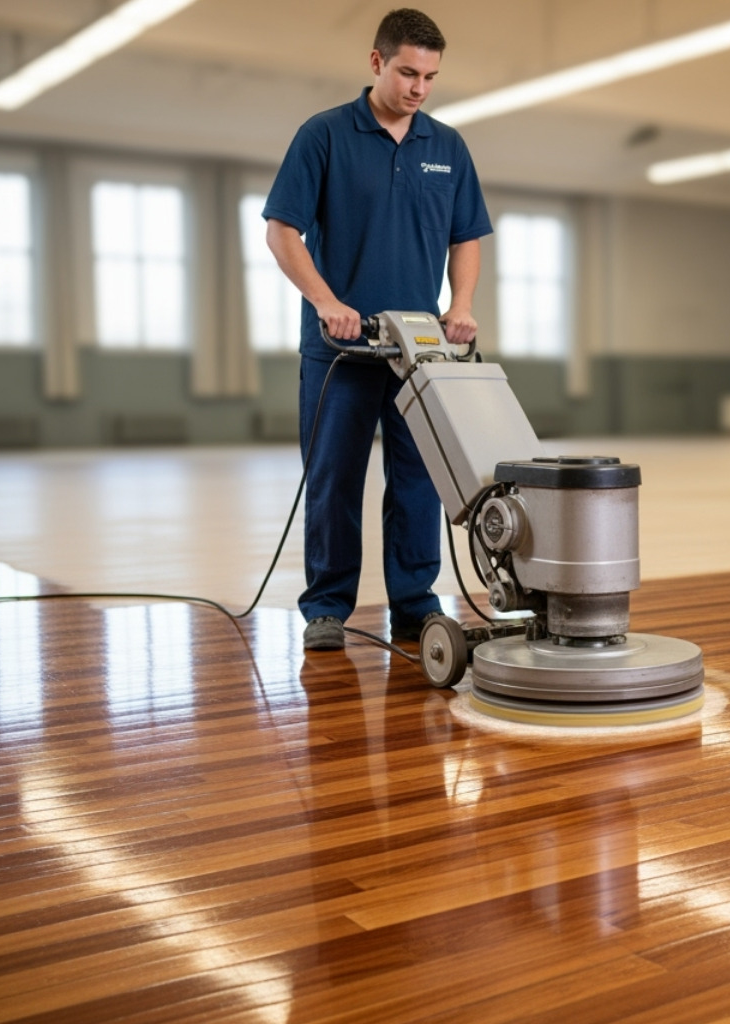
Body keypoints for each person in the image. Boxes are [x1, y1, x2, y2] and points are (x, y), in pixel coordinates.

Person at [263, 8, 492, 650]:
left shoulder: (447, 147)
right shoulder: (325, 136)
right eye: (407, 72)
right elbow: (282, 230)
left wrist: (462, 303)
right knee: (335, 478)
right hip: (340, 349)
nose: (419, 88)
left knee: (418, 479)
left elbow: (467, 235)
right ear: (376, 62)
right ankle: (327, 609)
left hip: (418, 353)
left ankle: (415, 605)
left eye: (430, 76)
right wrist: (325, 300)